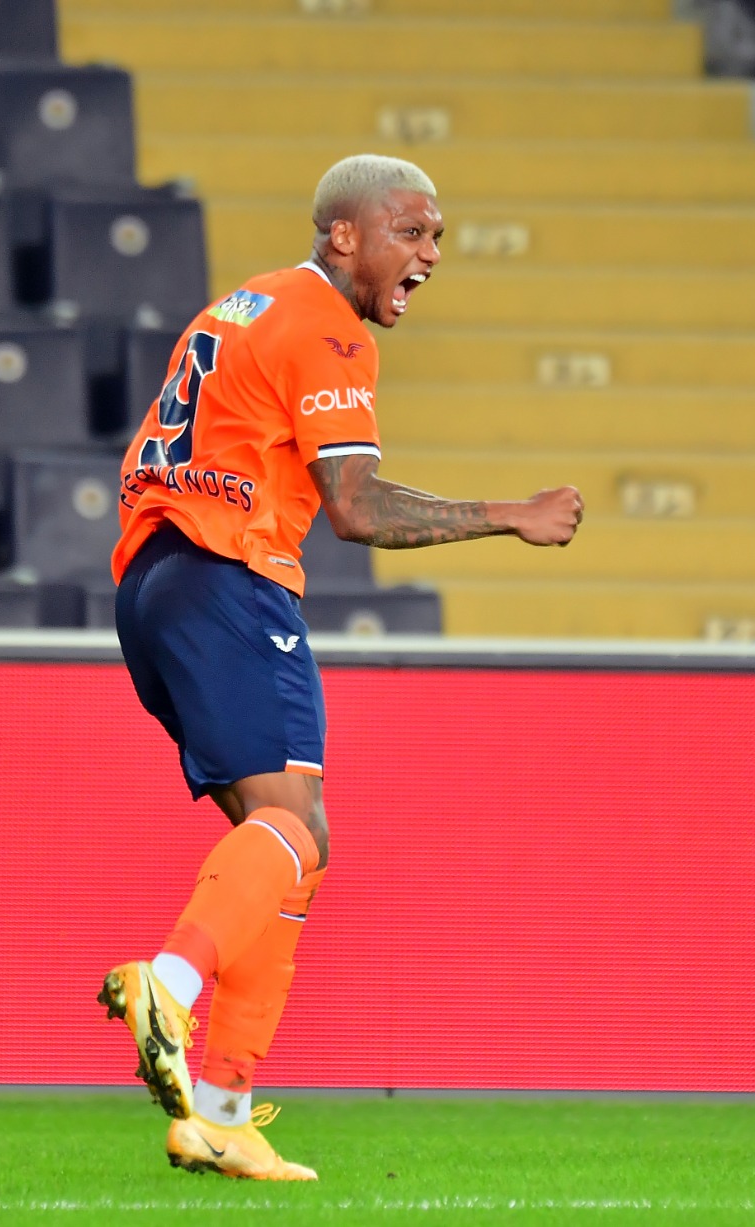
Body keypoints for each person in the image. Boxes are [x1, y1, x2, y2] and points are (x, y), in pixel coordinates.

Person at [101, 154, 584, 1181]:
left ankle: (222, 1109)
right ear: (343, 236)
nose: (431, 255)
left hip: (155, 582)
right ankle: (172, 989)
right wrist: (508, 516)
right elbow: (356, 510)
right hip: (229, 576)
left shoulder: (242, 306)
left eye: (438, 235)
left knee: (294, 840)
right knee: (292, 830)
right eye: (412, 233)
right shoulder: (326, 328)